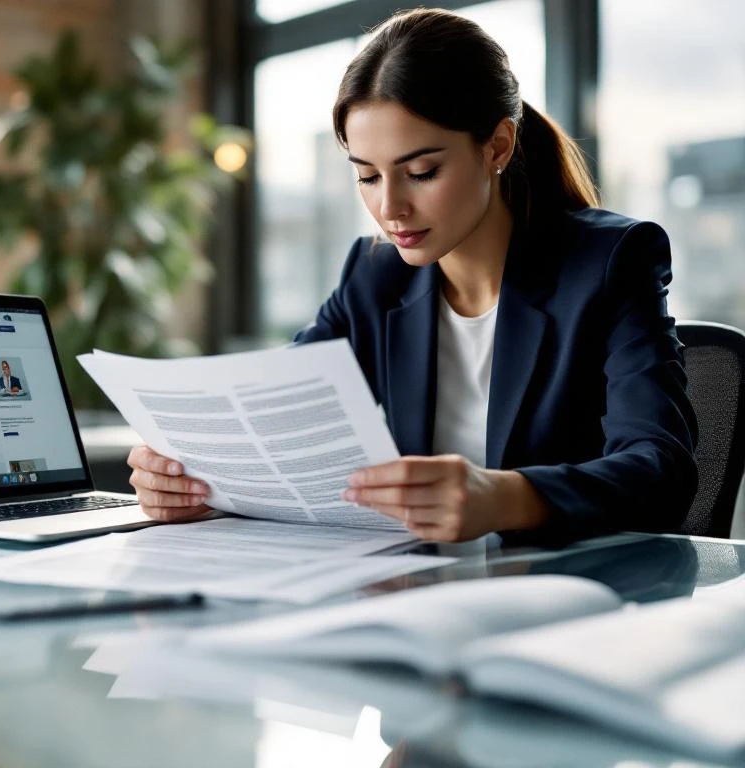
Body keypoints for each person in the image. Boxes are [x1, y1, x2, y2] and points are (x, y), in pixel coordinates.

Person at [125, 8, 698, 543]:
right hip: (412, 583)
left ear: (497, 147)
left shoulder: (609, 262)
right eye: (368, 176)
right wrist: (195, 479)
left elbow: (661, 469)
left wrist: (504, 497)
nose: (390, 208)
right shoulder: (374, 277)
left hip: (569, 589)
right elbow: (272, 421)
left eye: (421, 172)